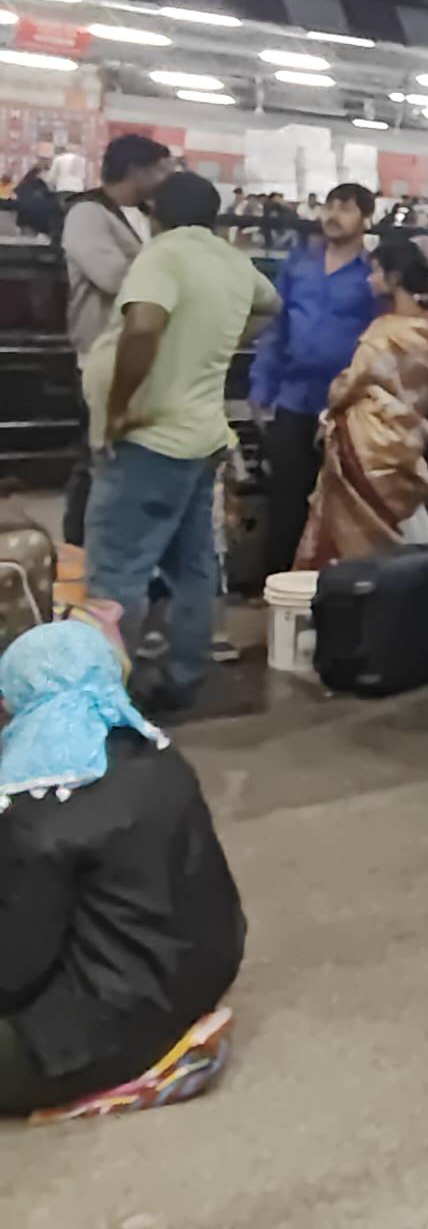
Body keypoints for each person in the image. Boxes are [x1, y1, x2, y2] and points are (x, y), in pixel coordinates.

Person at [0, 622, 243, 1116]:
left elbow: (13, 974)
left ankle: (130, 1075)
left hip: (101, 1027)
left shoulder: (37, 813)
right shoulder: (158, 754)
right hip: (200, 975)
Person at [82, 172, 279, 714]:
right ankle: (184, 676)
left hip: (150, 439)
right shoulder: (232, 262)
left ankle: (102, 694)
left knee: (117, 570)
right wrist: (223, 339)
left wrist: (119, 409)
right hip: (203, 440)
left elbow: (144, 326)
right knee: (192, 567)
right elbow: (271, 306)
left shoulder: (162, 254)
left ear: (155, 215)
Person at [294, 238, 428, 569]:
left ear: (394, 278)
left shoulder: (382, 334)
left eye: (376, 272)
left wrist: (333, 400)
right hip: (407, 436)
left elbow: (350, 384)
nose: (369, 279)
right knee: (404, 519)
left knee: (355, 519)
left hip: (366, 441)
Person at [249, 182, 379, 578]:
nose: (334, 215)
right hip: (293, 395)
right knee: (286, 493)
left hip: (345, 404)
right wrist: (261, 386)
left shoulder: (373, 276)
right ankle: (279, 582)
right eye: (330, 206)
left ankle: (333, 583)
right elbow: (276, 327)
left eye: (346, 208)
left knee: (342, 499)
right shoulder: (299, 265)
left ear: (367, 220)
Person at [59, 135, 172, 544]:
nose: (166, 179)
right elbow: (111, 276)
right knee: (97, 454)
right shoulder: (87, 214)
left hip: (138, 352)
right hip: (99, 354)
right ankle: (79, 545)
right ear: (137, 170)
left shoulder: (145, 216)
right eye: (161, 170)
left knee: (126, 455)